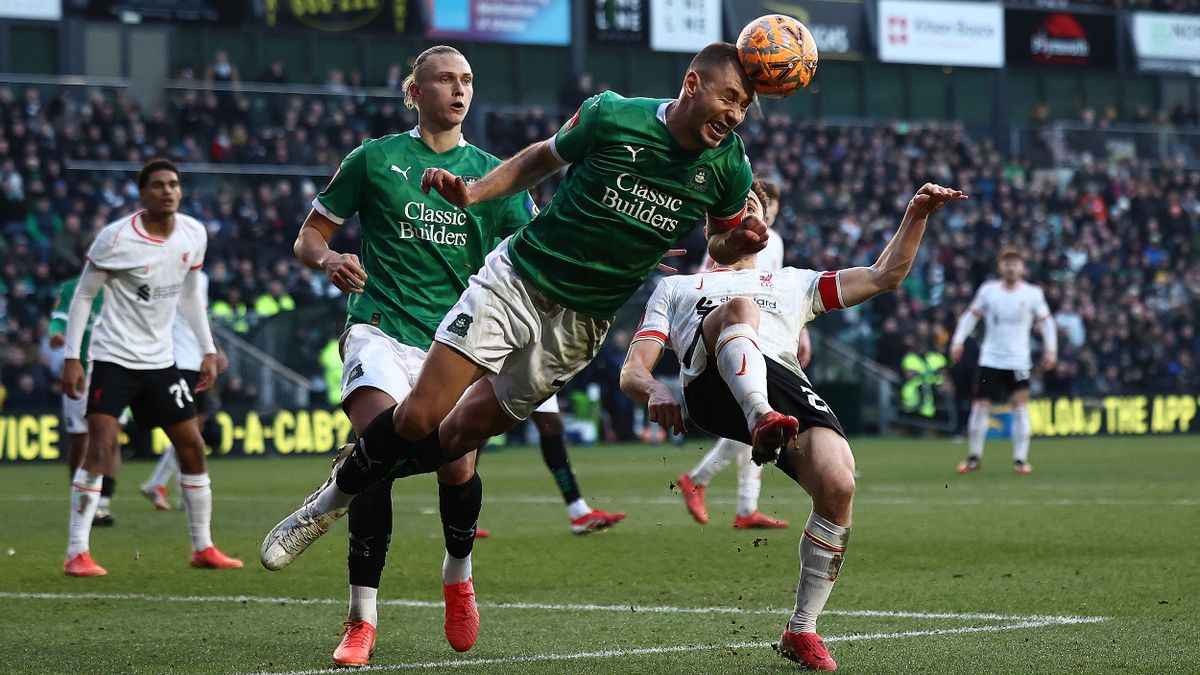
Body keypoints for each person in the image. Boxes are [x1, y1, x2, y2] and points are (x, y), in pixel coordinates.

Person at [261, 40, 769, 646]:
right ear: (692, 83)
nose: (736, 113)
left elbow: (720, 245)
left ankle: (454, 572)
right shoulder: (611, 113)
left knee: (458, 445)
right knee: (418, 417)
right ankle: (332, 522)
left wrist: (744, 243)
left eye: (746, 105)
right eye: (729, 97)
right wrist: (473, 194)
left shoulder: (730, 165)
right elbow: (540, 160)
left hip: (580, 323)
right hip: (506, 285)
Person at [283, 46, 622, 667]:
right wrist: (329, 258)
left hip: (456, 341)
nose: (459, 90)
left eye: (467, 80)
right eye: (445, 79)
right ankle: (362, 619)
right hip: (378, 329)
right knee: (379, 455)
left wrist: (618, 247)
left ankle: (458, 575)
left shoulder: (493, 175)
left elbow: (542, 245)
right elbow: (311, 233)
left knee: (457, 468)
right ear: (414, 92)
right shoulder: (375, 159)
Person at [620, 183, 965, 670]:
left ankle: (801, 629)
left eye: (754, 206)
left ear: (767, 226)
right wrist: (654, 390)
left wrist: (916, 212)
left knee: (839, 482)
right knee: (740, 310)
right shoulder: (677, 288)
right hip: (709, 381)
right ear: (711, 226)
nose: (747, 213)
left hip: (779, 376)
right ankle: (760, 417)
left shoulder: (792, 281)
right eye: (734, 207)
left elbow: (885, 275)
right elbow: (634, 368)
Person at [60, 158, 242, 577]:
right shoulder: (116, 238)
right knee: (102, 446)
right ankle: (77, 552)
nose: (167, 191)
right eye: (158, 185)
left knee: (192, 445)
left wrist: (207, 350)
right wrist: (73, 357)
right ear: (143, 194)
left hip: (161, 362)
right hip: (113, 359)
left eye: (174, 184)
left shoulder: (193, 233)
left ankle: (203, 547)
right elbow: (84, 296)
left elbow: (193, 294)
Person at [679, 177, 810, 529]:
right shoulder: (740, 236)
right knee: (756, 417)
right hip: (737, 333)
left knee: (757, 419)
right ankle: (701, 481)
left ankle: (743, 507)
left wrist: (800, 329)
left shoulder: (774, 241)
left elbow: (781, 291)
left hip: (765, 331)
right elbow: (715, 273)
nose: (771, 211)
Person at [949, 248, 1057, 474]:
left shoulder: (1032, 293)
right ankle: (974, 456)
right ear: (1000, 267)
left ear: (1023, 268)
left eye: (1015, 263)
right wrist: (958, 341)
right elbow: (971, 316)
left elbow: (1046, 322)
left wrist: (1051, 349)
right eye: (1007, 263)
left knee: (1020, 406)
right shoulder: (988, 291)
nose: (1011, 267)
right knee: (980, 406)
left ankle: (1020, 459)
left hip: (1019, 361)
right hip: (991, 359)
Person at [139, 271, 220, 511]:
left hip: (197, 361)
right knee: (188, 430)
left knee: (197, 427)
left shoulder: (202, 278)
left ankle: (165, 484)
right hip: (179, 361)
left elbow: (201, 318)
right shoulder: (166, 272)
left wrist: (213, 350)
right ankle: (177, 487)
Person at [49, 273, 121, 525]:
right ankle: (78, 493)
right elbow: (58, 319)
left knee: (109, 437)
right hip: (80, 370)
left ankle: (102, 504)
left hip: (114, 368)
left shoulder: (122, 287)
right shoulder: (70, 287)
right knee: (80, 441)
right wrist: (56, 334)